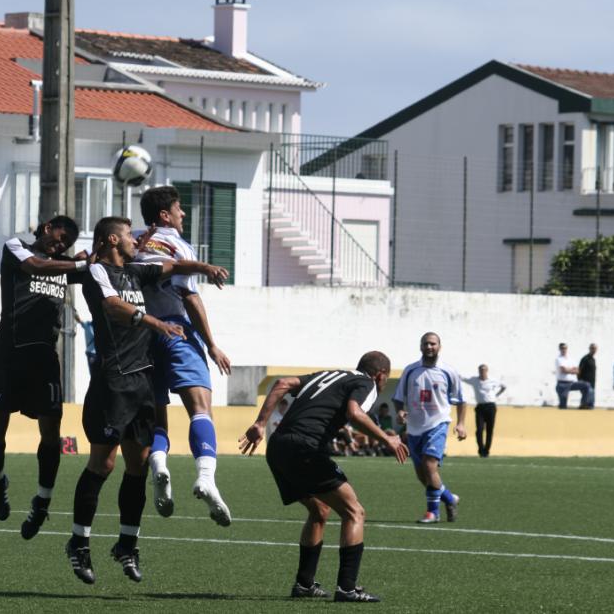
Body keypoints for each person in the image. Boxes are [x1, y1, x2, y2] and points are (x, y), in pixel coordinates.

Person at [65, 216, 228, 585]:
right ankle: (78, 543)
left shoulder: (138, 273)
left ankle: (127, 544)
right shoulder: (98, 272)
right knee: (103, 464)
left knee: (138, 467)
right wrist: (153, 321)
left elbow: (171, 265)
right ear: (111, 240)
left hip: (142, 382)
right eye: (127, 237)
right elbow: (111, 306)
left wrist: (203, 266)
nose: (133, 242)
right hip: (113, 382)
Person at [238, 352, 409, 603]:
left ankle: (304, 584)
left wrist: (261, 423)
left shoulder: (329, 375)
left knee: (319, 511)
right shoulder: (367, 382)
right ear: (381, 375)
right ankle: (347, 589)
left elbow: (282, 383)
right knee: (355, 512)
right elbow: (354, 412)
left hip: (278, 447)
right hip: (305, 448)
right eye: (384, 380)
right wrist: (388, 438)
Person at [0, 215, 90, 540]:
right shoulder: (16, 248)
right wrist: (77, 264)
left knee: (51, 436)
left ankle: (42, 502)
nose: (62, 245)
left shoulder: (65, 266)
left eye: (67, 243)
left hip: (44, 361)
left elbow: (103, 273)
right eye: (60, 238)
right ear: (46, 229)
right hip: (8, 355)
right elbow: (35, 266)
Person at [133, 186, 233, 526]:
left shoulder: (133, 241)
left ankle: (159, 465)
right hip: (174, 329)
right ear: (165, 215)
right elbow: (190, 297)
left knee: (157, 413)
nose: (183, 215)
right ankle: (205, 475)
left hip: (140, 335)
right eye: (179, 209)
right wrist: (212, 344)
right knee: (200, 408)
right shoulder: (178, 245)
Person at [393, 332, 467, 524]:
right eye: (426, 344)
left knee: (429, 465)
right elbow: (398, 398)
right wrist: (400, 412)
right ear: (420, 346)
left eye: (433, 344)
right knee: (422, 475)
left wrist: (460, 423)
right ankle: (449, 498)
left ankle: (433, 513)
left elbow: (460, 400)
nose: (429, 347)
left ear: (439, 347)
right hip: (415, 428)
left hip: (438, 424)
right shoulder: (410, 370)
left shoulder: (449, 372)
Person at [469, 365, 506, 457]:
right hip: (480, 407)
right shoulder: (475, 380)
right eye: (481, 370)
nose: (482, 372)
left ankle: (486, 450)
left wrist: (496, 395)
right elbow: (463, 378)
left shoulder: (492, 380)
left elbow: (503, 386)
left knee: (489, 430)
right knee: (480, 429)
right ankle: (481, 449)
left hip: (490, 406)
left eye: (484, 370)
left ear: (487, 371)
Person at [554, 342, 593, 409]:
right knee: (563, 406)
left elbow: (577, 371)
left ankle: (583, 404)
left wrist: (568, 370)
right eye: (562, 348)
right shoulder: (559, 359)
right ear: (559, 349)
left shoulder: (570, 359)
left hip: (572, 383)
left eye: (565, 348)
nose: (564, 350)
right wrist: (572, 370)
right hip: (562, 384)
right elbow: (563, 370)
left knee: (586, 385)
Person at [577, 343, 598, 409]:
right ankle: (582, 406)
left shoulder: (593, 359)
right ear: (589, 349)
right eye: (592, 348)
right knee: (585, 401)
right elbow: (579, 370)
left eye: (594, 348)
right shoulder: (585, 359)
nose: (593, 350)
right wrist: (580, 381)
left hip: (592, 383)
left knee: (591, 404)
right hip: (585, 382)